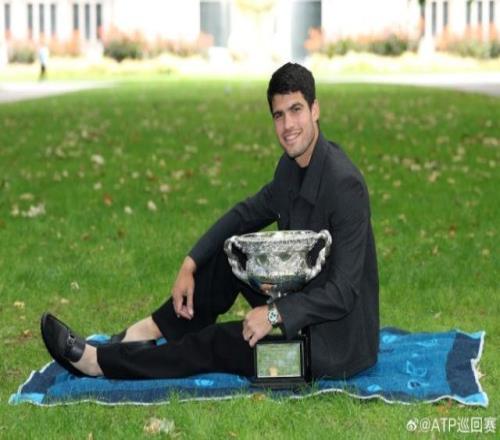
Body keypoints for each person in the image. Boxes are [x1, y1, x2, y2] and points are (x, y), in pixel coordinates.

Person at [41, 62, 379, 380]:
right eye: (279, 115)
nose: (288, 125)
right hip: (298, 301)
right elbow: (245, 214)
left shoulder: (344, 185)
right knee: (228, 260)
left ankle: (99, 363)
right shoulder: (290, 167)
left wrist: (274, 314)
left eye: (296, 110)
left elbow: (342, 292)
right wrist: (190, 263)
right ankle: (147, 331)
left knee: (216, 344)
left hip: (331, 349)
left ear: (315, 109)